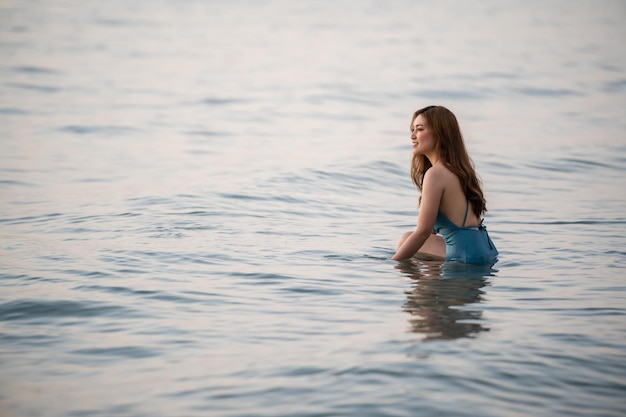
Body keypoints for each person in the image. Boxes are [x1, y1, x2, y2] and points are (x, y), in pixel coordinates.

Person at [392, 105, 498, 265]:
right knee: (411, 241)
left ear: (440, 134)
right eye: (412, 130)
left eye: (419, 129)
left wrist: (392, 264)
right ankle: (431, 280)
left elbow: (422, 233)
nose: (412, 136)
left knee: (406, 240)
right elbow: (432, 232)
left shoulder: (435, 174)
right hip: (485, 251)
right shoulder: (460, 170)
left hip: (465, 256)